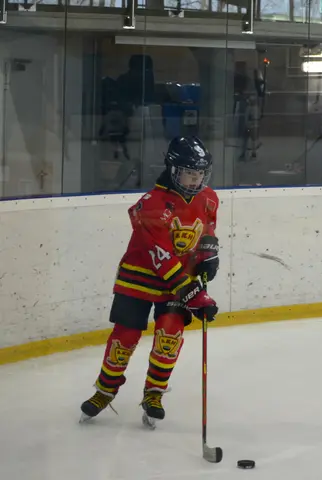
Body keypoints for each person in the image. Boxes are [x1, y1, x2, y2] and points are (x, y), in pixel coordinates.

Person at [80, 136, 220, 427]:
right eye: (188, 174)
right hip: (139, 279)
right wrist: (195, 294)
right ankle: (105, 390)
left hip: (178, 281)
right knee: (125, 337)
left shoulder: (208, 198)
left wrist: (208, 255)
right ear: (172, 170)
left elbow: (206, 230)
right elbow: (161, 257)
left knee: (170, 334)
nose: (195, 181)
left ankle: (153, 393)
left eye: (199, 175)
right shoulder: (151, 205)